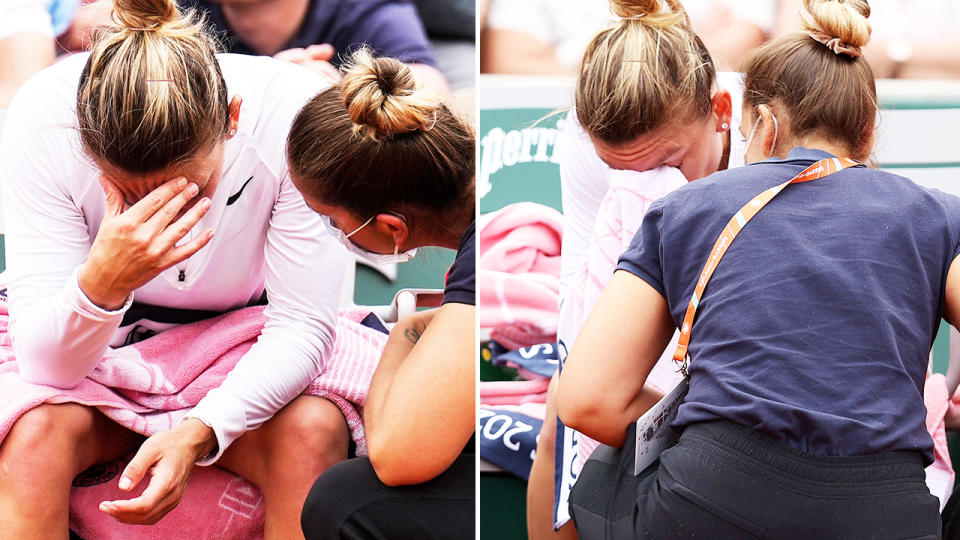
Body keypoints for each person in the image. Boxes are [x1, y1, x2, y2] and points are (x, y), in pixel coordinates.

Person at [557, 0, 952, 537]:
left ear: (760, 125)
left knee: (598, 477)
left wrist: (706, 424)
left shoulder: (686, 208)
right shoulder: (939, 214)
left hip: (710, 498)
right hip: (887, 512)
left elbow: (585, 401)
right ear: (867, 132)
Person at [0, 0, 353, 538]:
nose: (158, 213)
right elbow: (49, 367)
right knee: (32, 439)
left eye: (189, 187)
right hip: (101, 350)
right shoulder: (41, 119)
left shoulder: (296, 115)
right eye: (129, 191)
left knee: (311, 431)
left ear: (232, 119)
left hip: (247, 341)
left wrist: (202, 428)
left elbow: (303, 326)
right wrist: (104, 281)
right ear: (85, 143)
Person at [527, 0, 746, 537]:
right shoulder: (583, 139)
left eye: (667, 164)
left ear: (722, 111)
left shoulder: (768, 136)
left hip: (743, 329)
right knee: (564, 409)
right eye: (620, 173)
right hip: (647, 299)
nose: (648, 190)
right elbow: (582, 277)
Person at [287, 49, 476, 539]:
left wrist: (409, 329)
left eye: (333, 220)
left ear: (392, 227)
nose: (332, 231)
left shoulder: (481, 254)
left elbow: (394, 455)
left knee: (345, 500)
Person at [181, 0, 450, 93]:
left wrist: (339, 96)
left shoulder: (364, 10)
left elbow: (432, 91)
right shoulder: (169, 9)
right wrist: (257, 86)